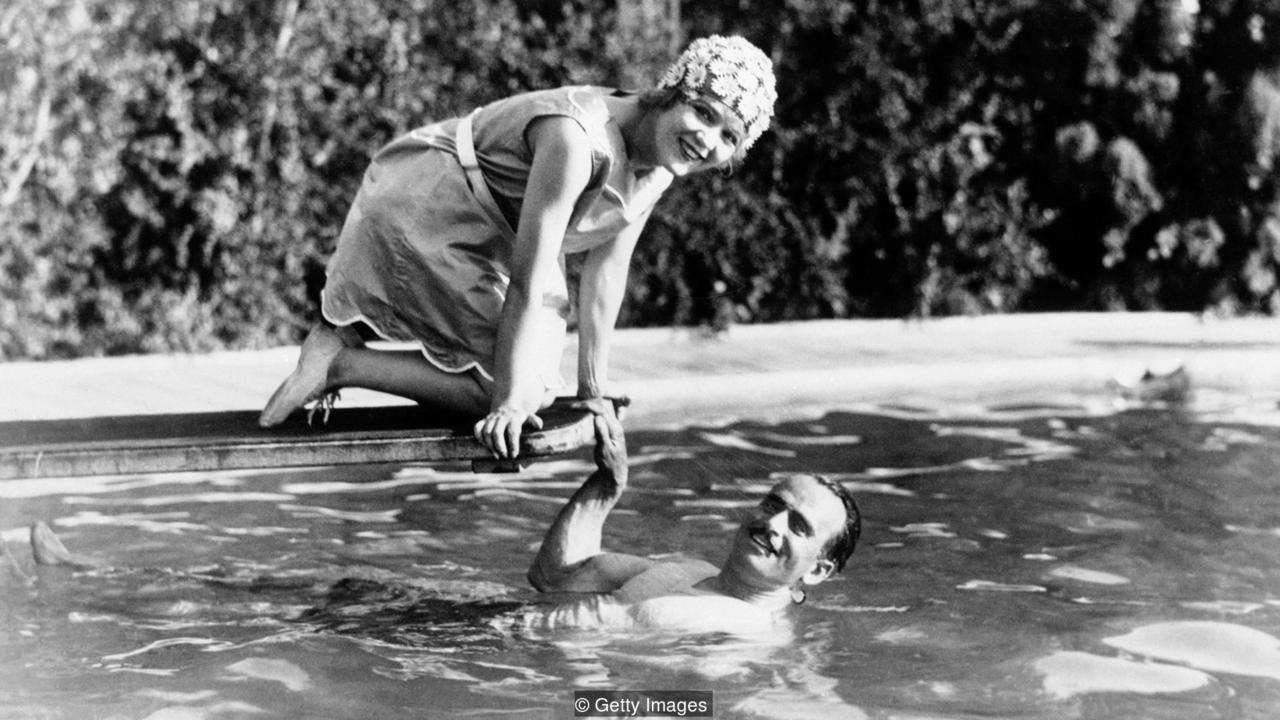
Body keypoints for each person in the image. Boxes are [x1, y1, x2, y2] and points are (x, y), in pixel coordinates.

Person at [258, 35, 779, 459]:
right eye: (703, 113)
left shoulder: (662, 164)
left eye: (729, 137)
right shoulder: (579, 138)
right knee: (506, 391)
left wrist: (593, 390)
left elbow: (605, 276)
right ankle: (338, 362)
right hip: (431, 203)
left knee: (538, 388)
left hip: (491, 232)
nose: (708, 140)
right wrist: (505, 403)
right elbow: (528, 280)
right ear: (671, 92)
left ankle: (345, 357)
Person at [522, 401, 861, 634]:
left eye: (799, 527)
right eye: (773, 506)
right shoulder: (688, 570)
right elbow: (553, 578)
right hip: (500, 633)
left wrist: (588, 702)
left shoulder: (746, 633)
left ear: (817, 570)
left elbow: (700, 706)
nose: (773, 524)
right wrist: (608, 483)